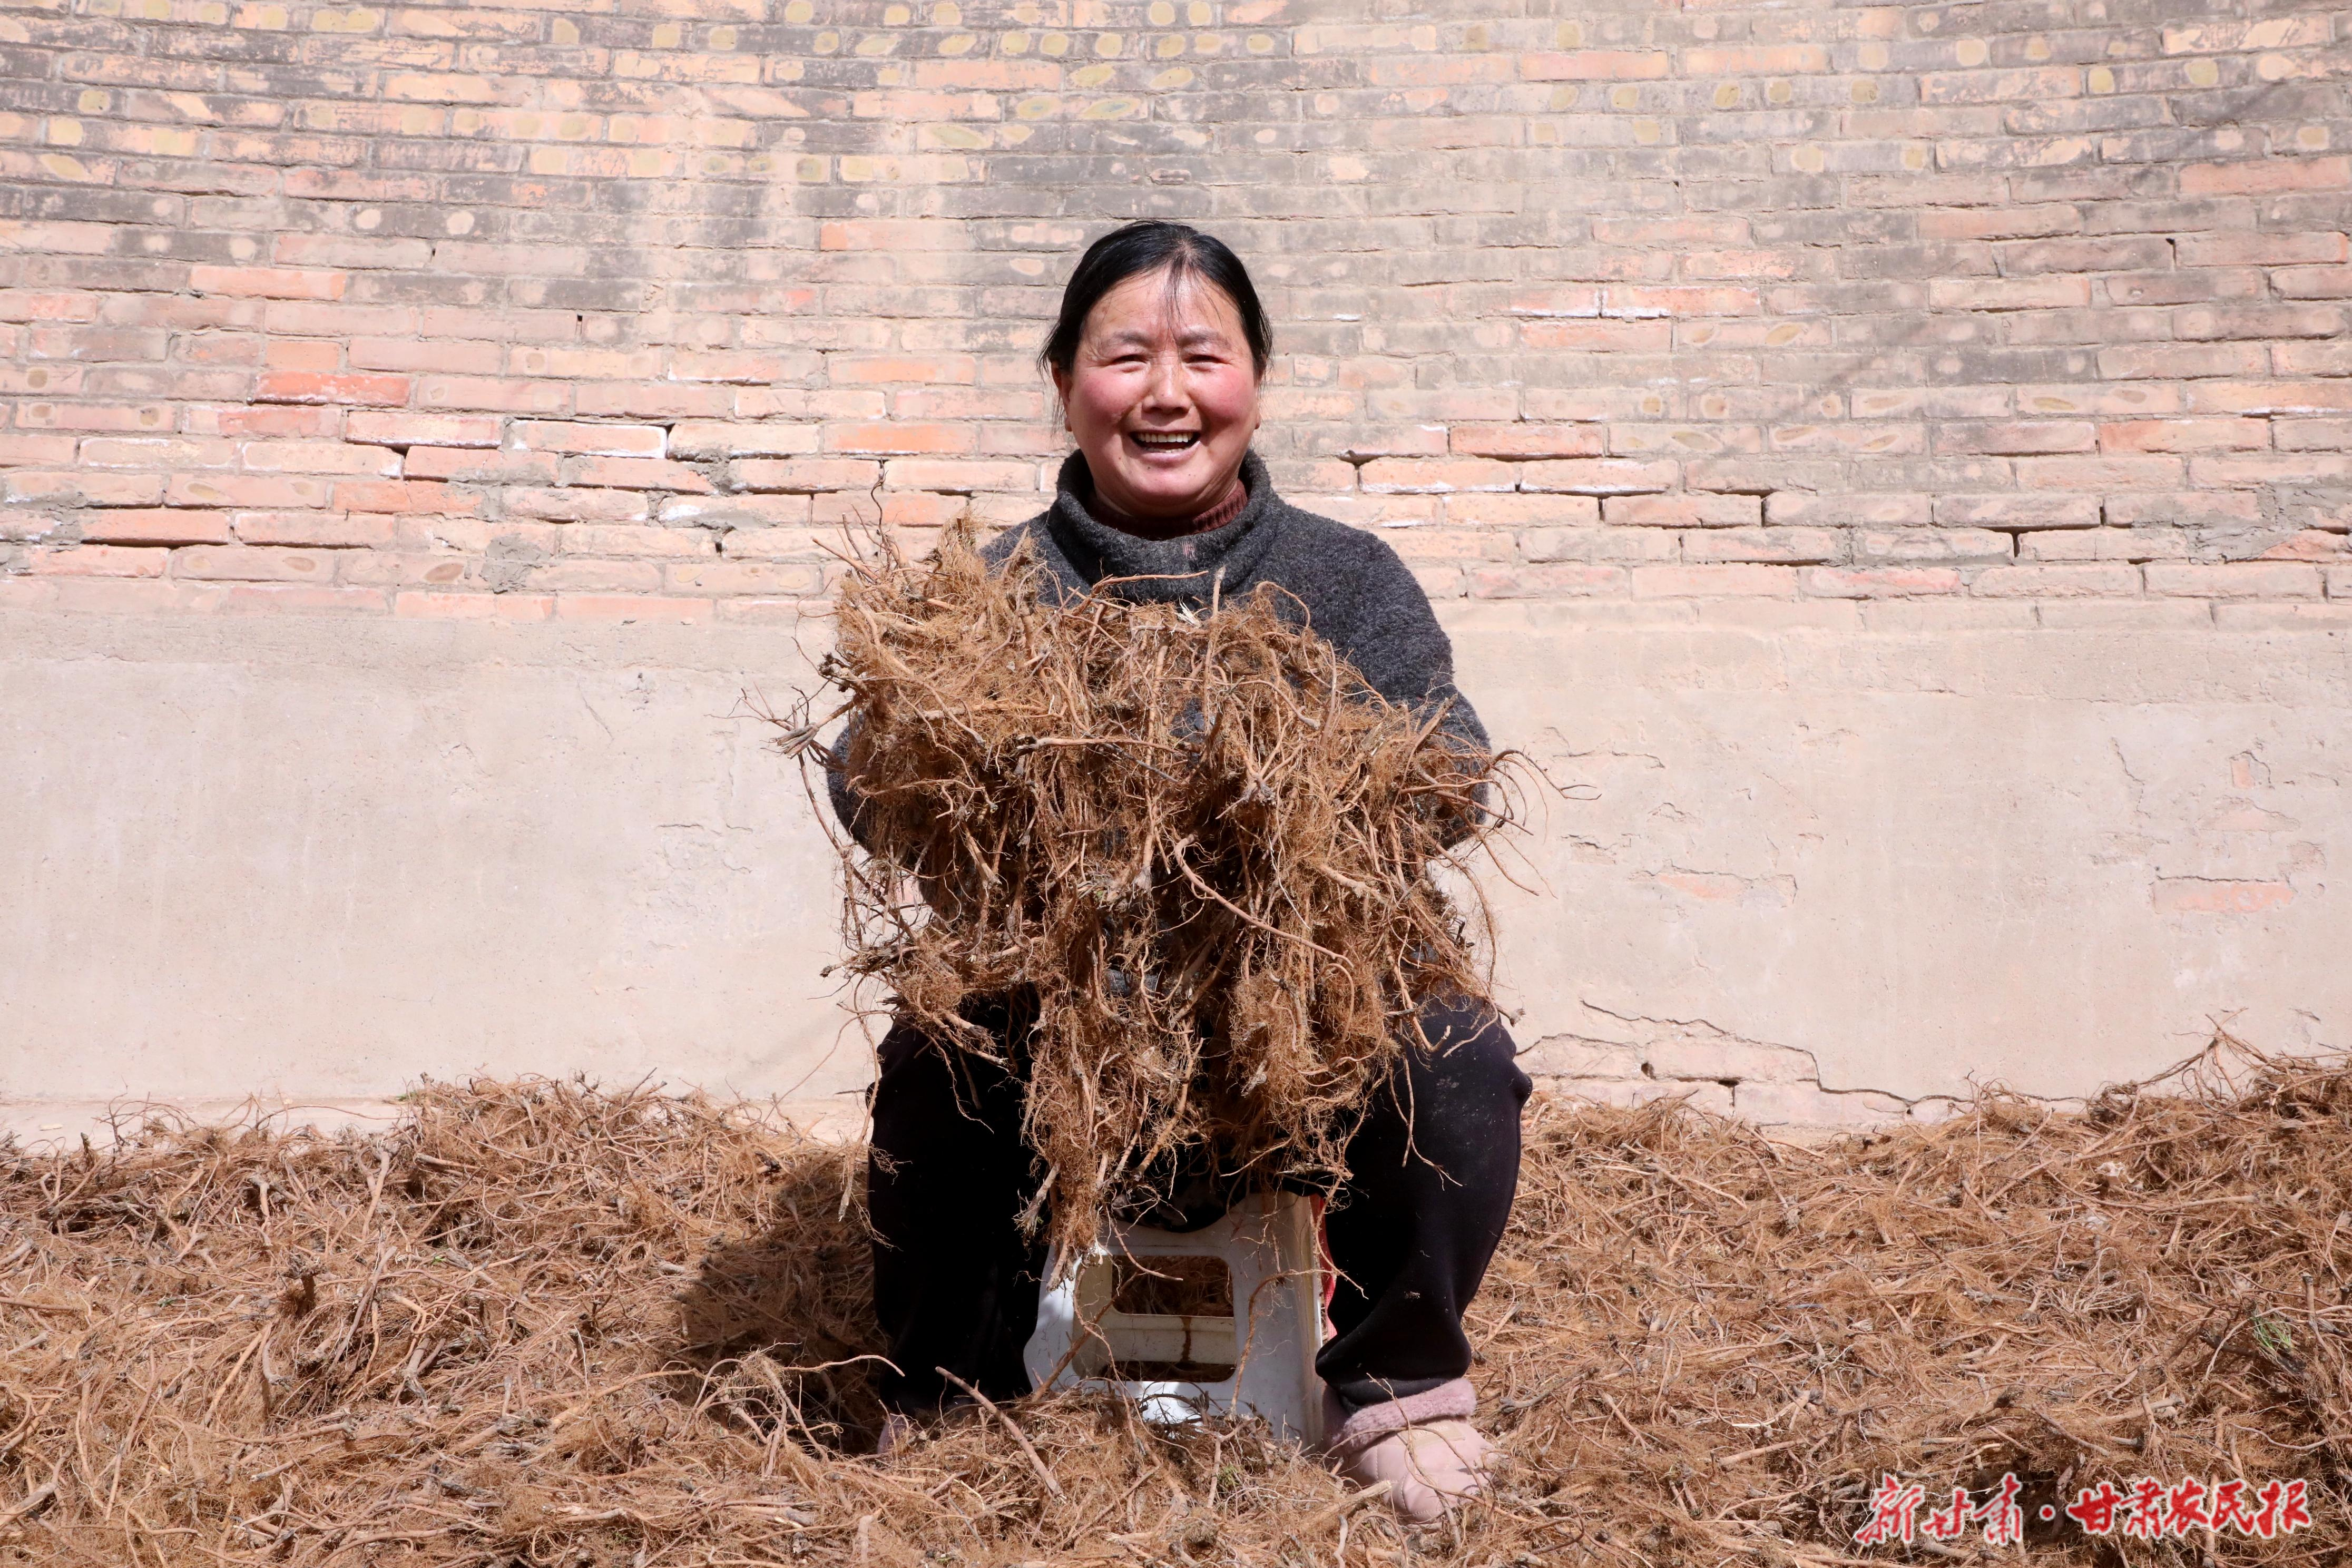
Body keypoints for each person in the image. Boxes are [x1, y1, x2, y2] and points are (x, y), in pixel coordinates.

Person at [832, 221, 1531, 1523]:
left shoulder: (1344, 579)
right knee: (942, 1053)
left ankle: (1397, 1392)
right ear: (1064, 383)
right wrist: (930, 759)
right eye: (1125, 357)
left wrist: (1293, 802)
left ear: (1254, 380)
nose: (1166, 394)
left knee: (1454, 1056)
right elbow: (866, 786)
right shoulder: (991, 593)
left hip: (1304, 1006)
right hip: (1061, 1007)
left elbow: (1455, 768)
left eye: (1202, 356)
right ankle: (947, 1393)